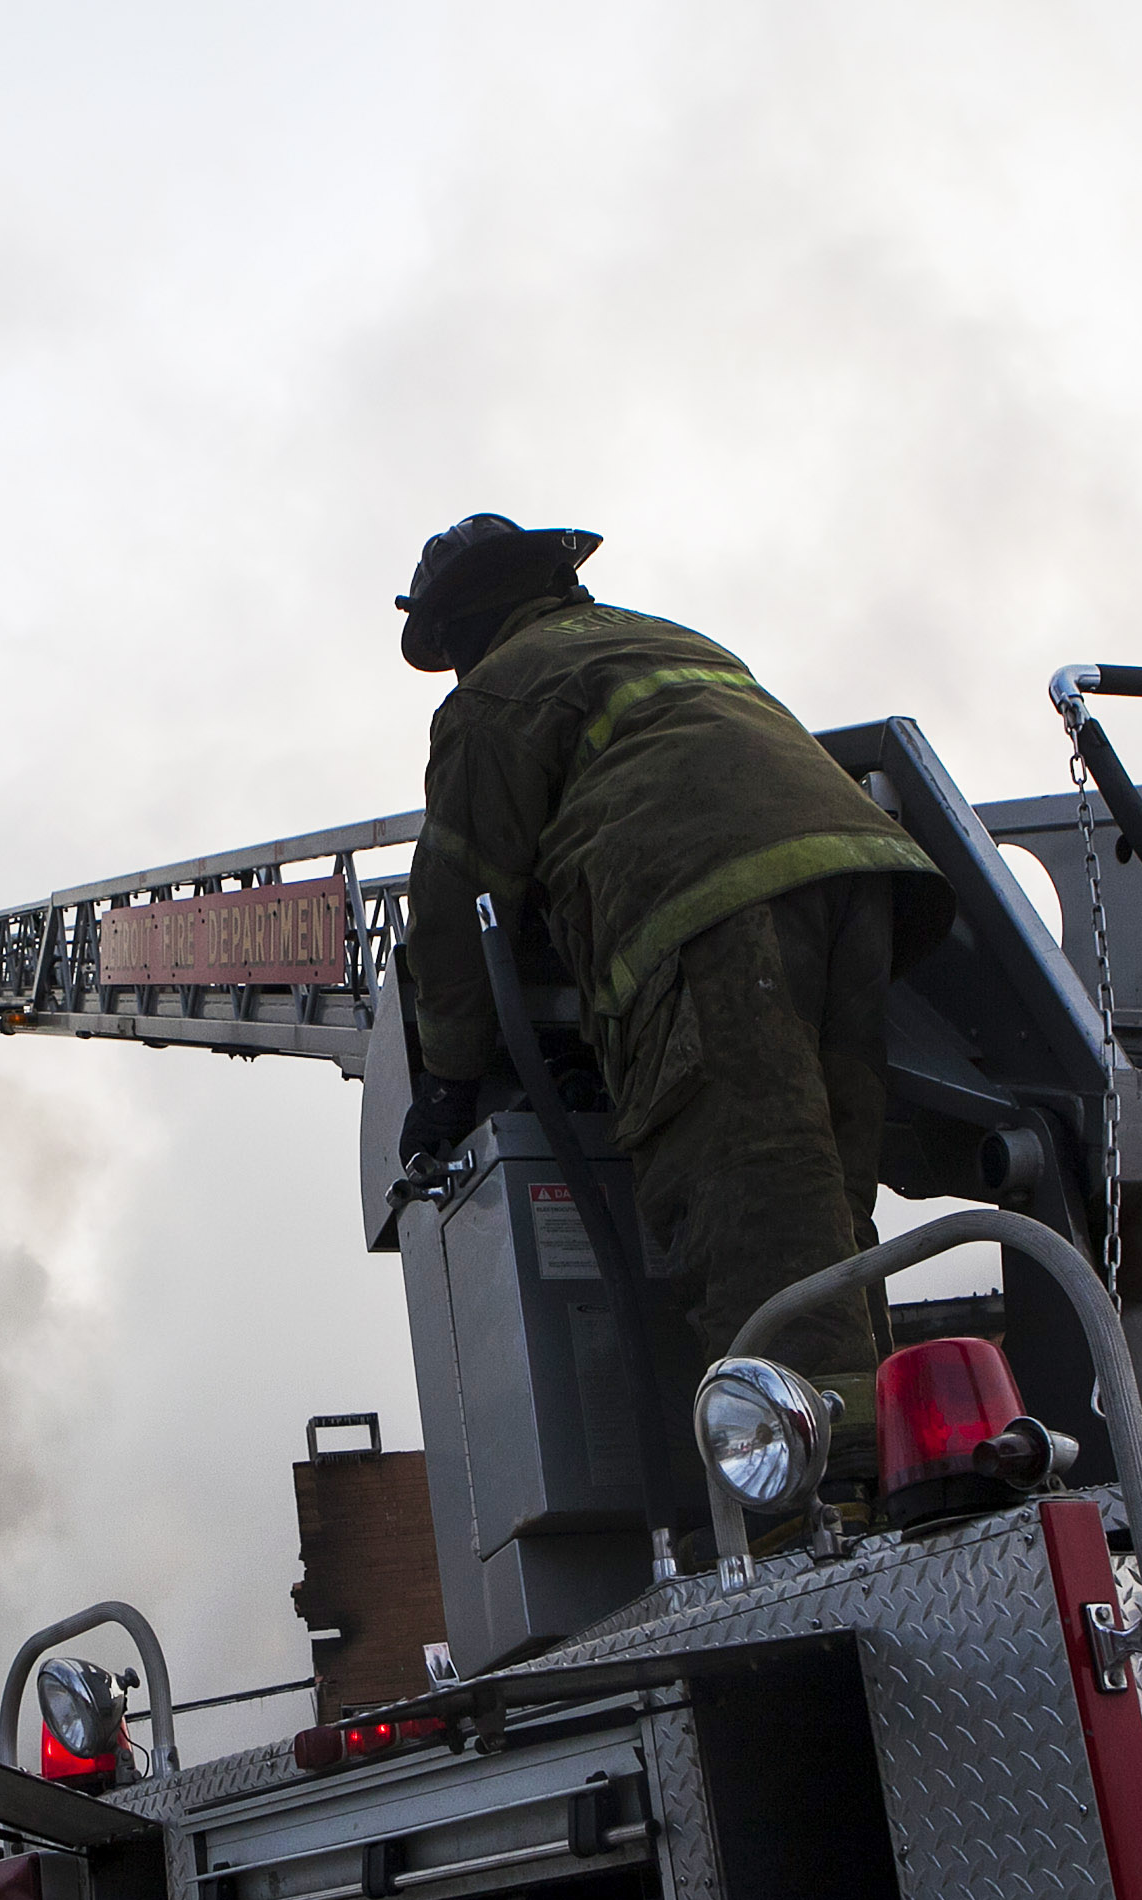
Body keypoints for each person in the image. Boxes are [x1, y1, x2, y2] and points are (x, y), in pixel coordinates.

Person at [391, 514, 952, 1420]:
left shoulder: (494, 694)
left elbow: (460, 898)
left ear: (459, 631)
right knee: (833, 1210)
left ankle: (809, 1501)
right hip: (861, 883)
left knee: (755, 1196)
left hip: (710, 907)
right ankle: (876, 1451)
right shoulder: (666, 638)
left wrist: (449, 1078)